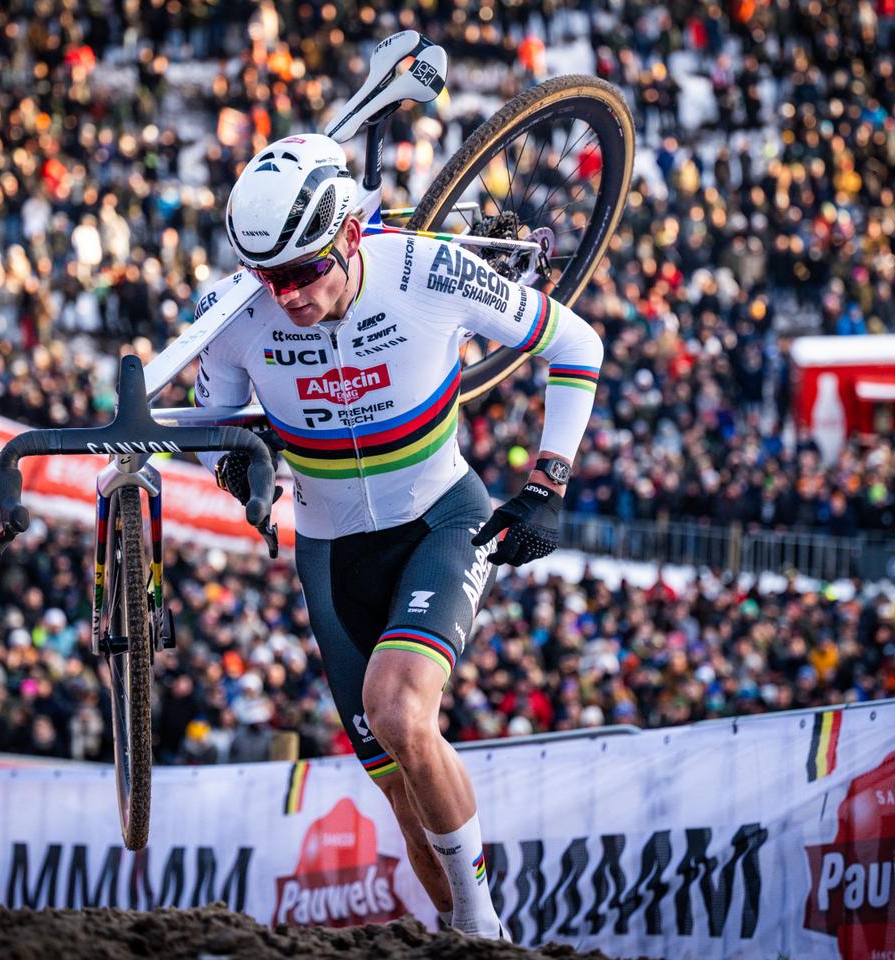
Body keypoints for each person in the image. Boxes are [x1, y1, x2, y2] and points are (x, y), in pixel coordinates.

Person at [199, 133, 603, 939]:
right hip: (331, 552)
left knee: (401, 713)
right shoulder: (233, 315)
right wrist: (243, 469)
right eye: (268, 277)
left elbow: (577, 342)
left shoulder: (426, 271)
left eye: (304, 272)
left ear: (351, 236)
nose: (286, 296)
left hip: (441, 519)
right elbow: (217, 431)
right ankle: (458, 924)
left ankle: (485, 931)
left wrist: (548, 484)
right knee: (397, 786)